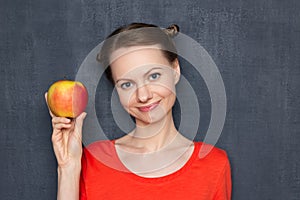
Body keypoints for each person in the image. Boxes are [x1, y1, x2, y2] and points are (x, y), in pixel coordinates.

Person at [45, 23, 231, 200]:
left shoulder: (214, 164)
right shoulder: (94, 160)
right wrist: (67, 168)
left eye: (154, 76)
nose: (143, 95)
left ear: (175, 70)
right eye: (127, 84)